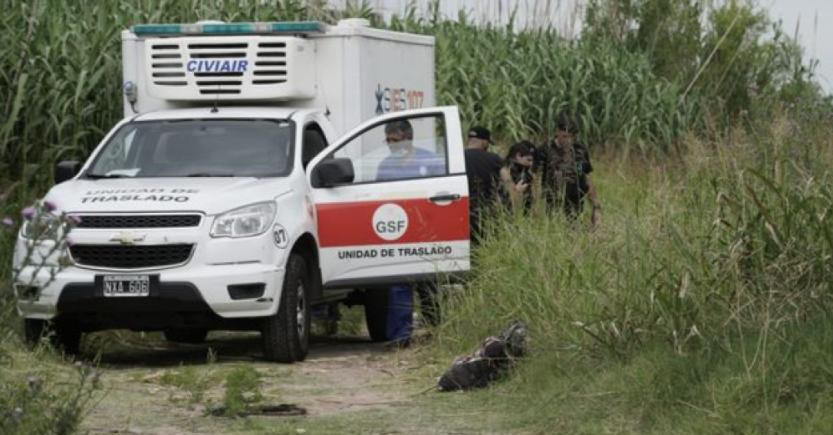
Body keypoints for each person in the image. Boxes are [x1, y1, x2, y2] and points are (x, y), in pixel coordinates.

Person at [375, 119, 443, 346]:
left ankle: (438, 333)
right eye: (388, 141)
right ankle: (400, 337)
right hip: (398, 233)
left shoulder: (431, 161)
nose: (391, 145)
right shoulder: (385, 166)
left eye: (394, 140)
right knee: (398, 286)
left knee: (429, 286)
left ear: (408, 138)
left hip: (427, 232)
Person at [539, 115, 601, 226]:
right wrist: (535, 209)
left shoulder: (580, 151)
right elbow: (536, 179)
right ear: (557, 131)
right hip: (553, 204)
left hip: (575, 204)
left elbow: (585, 177)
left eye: (571, 137)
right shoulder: (545, 150)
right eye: (564, 136)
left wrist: (595, 206)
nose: (568, 141)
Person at [463, 126, 503, 243]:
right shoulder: (494, 159)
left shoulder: (457, 158)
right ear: (484, 142)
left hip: (462, 212)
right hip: (486, 214)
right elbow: (507, 181)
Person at [499, 141, 536, 212]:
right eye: (528, 160)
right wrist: (516, 191)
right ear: (518, 156)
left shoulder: (526, 173)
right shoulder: (505, 171)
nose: (531, 164)